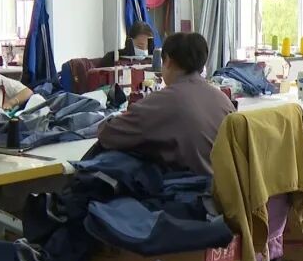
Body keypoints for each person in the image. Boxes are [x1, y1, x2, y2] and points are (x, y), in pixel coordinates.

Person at [97, 32, 234, 175]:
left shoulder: (161, 102)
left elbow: (108, 134)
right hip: (225, 185)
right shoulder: (223, 100)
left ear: (167, 60)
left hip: (187, 186)